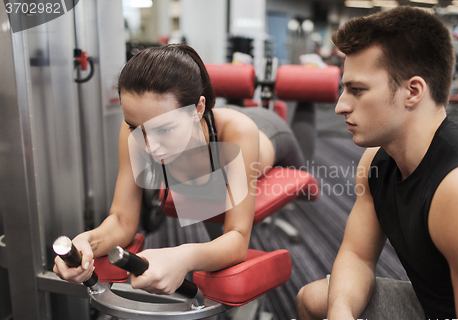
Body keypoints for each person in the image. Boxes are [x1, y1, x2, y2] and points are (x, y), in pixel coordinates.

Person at [296, 6, 458, 320]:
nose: (340, 105)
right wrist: (342, 316)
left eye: (357, 90)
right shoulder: (377, 162)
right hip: (437, 309)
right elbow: (358, 255)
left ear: (413, 91)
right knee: (314, 301)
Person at [53, 44, 306, 295]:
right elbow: (122, 220)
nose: (149, 146)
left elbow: (238, 238)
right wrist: (87, 241)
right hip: (207, 123)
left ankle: (308, 91)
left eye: (164, 129)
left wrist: (183, 256)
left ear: (197, 109)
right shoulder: (139, 125)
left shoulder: (240, 132)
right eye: (136, 129)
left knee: (306, 151)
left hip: (269, 132)